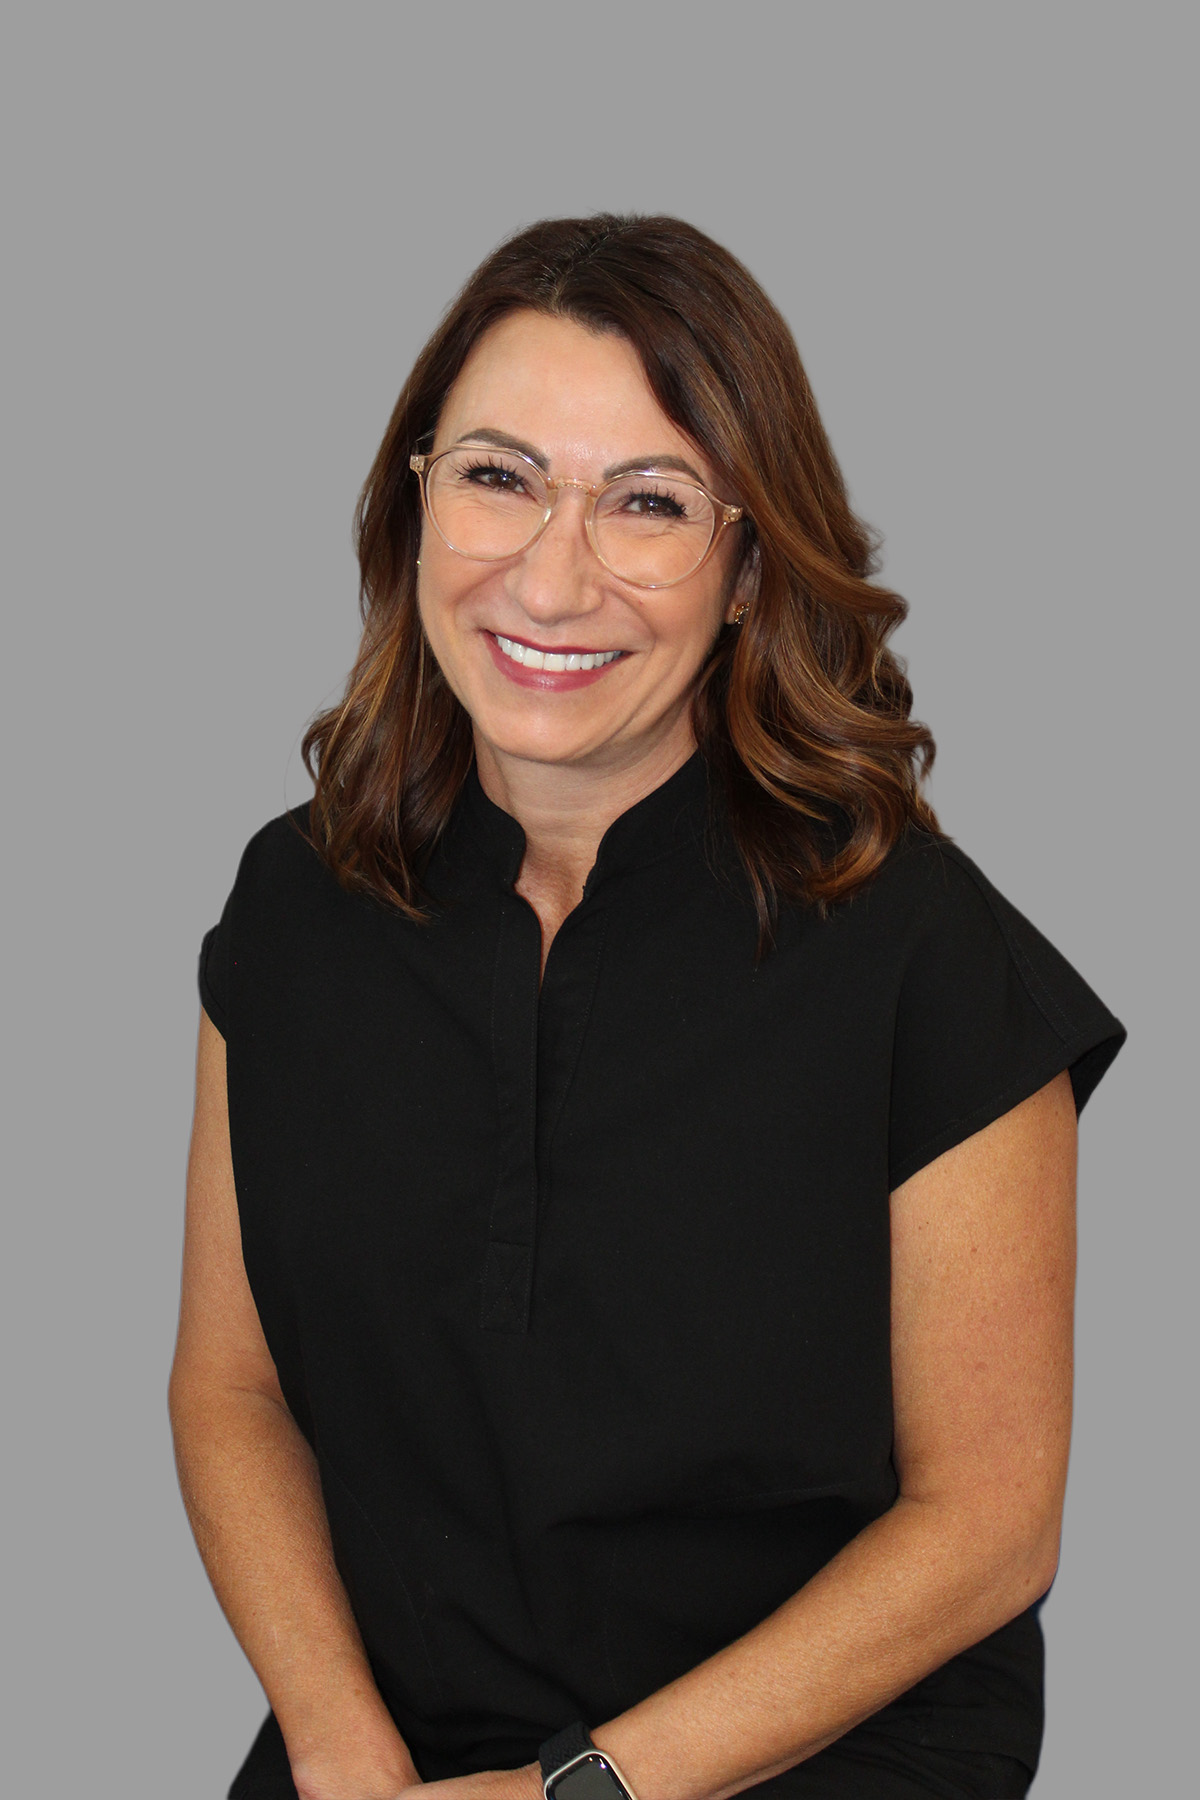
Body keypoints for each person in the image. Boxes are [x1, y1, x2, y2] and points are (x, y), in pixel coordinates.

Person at [169, 213, 1126, 1800]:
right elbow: (233, 1390)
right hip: (401, 1754)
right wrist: (341, 1758)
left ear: (750, 569)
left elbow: (988, 1528)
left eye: (650, 503)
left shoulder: (922, 951)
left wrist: (582, 1792)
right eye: (497, 475)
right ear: (413, 500)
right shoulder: (291, 908)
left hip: (813, 1760)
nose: (552, 573)